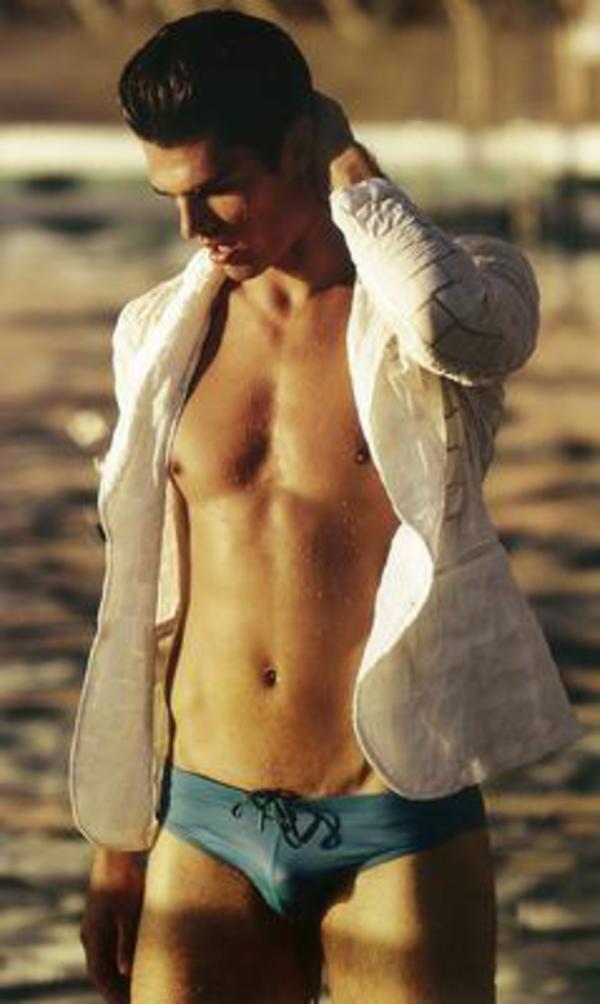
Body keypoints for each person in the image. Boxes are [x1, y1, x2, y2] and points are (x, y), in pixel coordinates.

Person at [70, 9, 583, 1003]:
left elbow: (453, 324)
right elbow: (145, 601)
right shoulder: (158, 334)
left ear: (300, 147)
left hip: (394, 821)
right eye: (171, 196)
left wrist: (352, 164)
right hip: (203, 823)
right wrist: (117, 842)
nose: (194, 227)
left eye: (219, 186)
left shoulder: (454, 299)